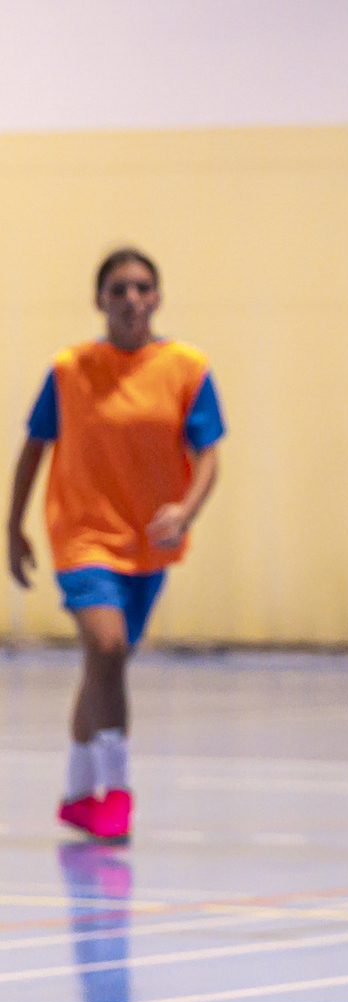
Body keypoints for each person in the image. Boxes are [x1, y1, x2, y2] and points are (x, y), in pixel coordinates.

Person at [7, 248, 225, 843]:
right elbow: (33, 447)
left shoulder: (186, 368)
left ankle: (78, 794)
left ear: (157, 298)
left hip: (147, 543)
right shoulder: (70, 369)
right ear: (99, 299)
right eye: (119, 288)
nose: (131, 298)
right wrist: (13, 526)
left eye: (142, 288)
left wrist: (185, 509)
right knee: (106, 648)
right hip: (80, 536)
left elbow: (208, 454)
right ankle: (117, 790)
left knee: (106, 664)